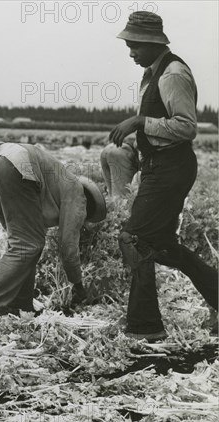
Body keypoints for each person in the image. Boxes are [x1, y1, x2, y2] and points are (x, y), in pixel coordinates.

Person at [110, 11, 218, 340]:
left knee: (134, 239)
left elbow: (187, 128)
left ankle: (146, 327)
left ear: (151, 43)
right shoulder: (155, 72)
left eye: (134, 47)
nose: (131, 53)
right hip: (161, 166)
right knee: (162, 247)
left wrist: (140, 123)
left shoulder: (172, 74)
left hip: (172, 168)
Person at [0, 142, 106, 324]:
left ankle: (21, 306)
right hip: (15, 165)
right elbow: (68, 246)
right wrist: (78, 284)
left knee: (25, 244)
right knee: (28, 244)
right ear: (87, 207)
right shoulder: (77, 195)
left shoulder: (56, 186)